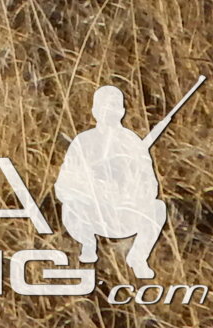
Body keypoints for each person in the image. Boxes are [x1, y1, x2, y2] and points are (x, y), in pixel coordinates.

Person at [57, 87, 169, 279]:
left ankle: (138, 258)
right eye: (104, 106)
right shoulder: (82, 142)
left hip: (123, 214)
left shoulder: (132, 142)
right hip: (91, 214)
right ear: (94, 110)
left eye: (114, 106)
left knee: (157, 208)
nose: (109, 111)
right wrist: (91, 190)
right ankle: (88, 244)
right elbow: (63, 186)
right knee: (71, 206)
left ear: (122, 111)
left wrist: (131, 193)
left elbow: (151, 185)